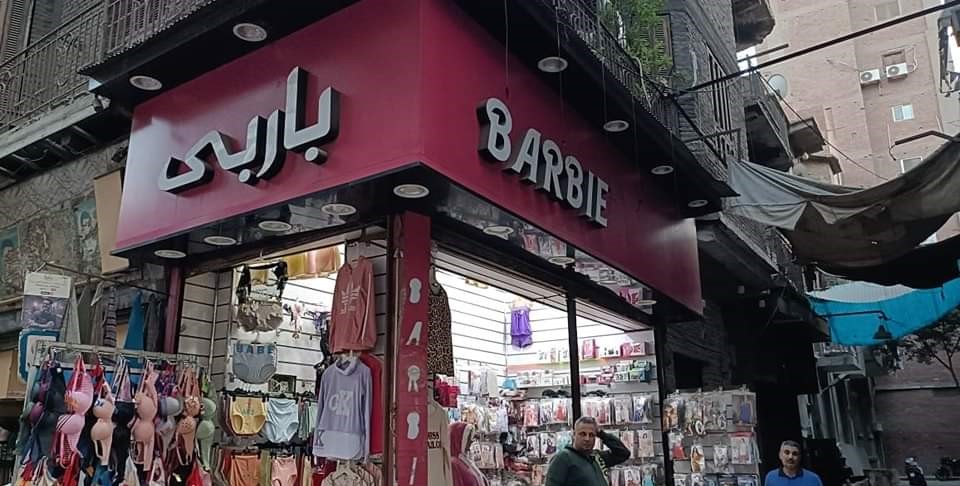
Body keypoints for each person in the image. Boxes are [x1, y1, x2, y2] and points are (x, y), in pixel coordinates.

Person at [545, 416, 630, 486]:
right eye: (582, 434)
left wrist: (601, 434)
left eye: (591, 435)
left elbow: (623, 453)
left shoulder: (597, 457)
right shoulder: (564, 458)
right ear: (574, 435)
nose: (587, 439)